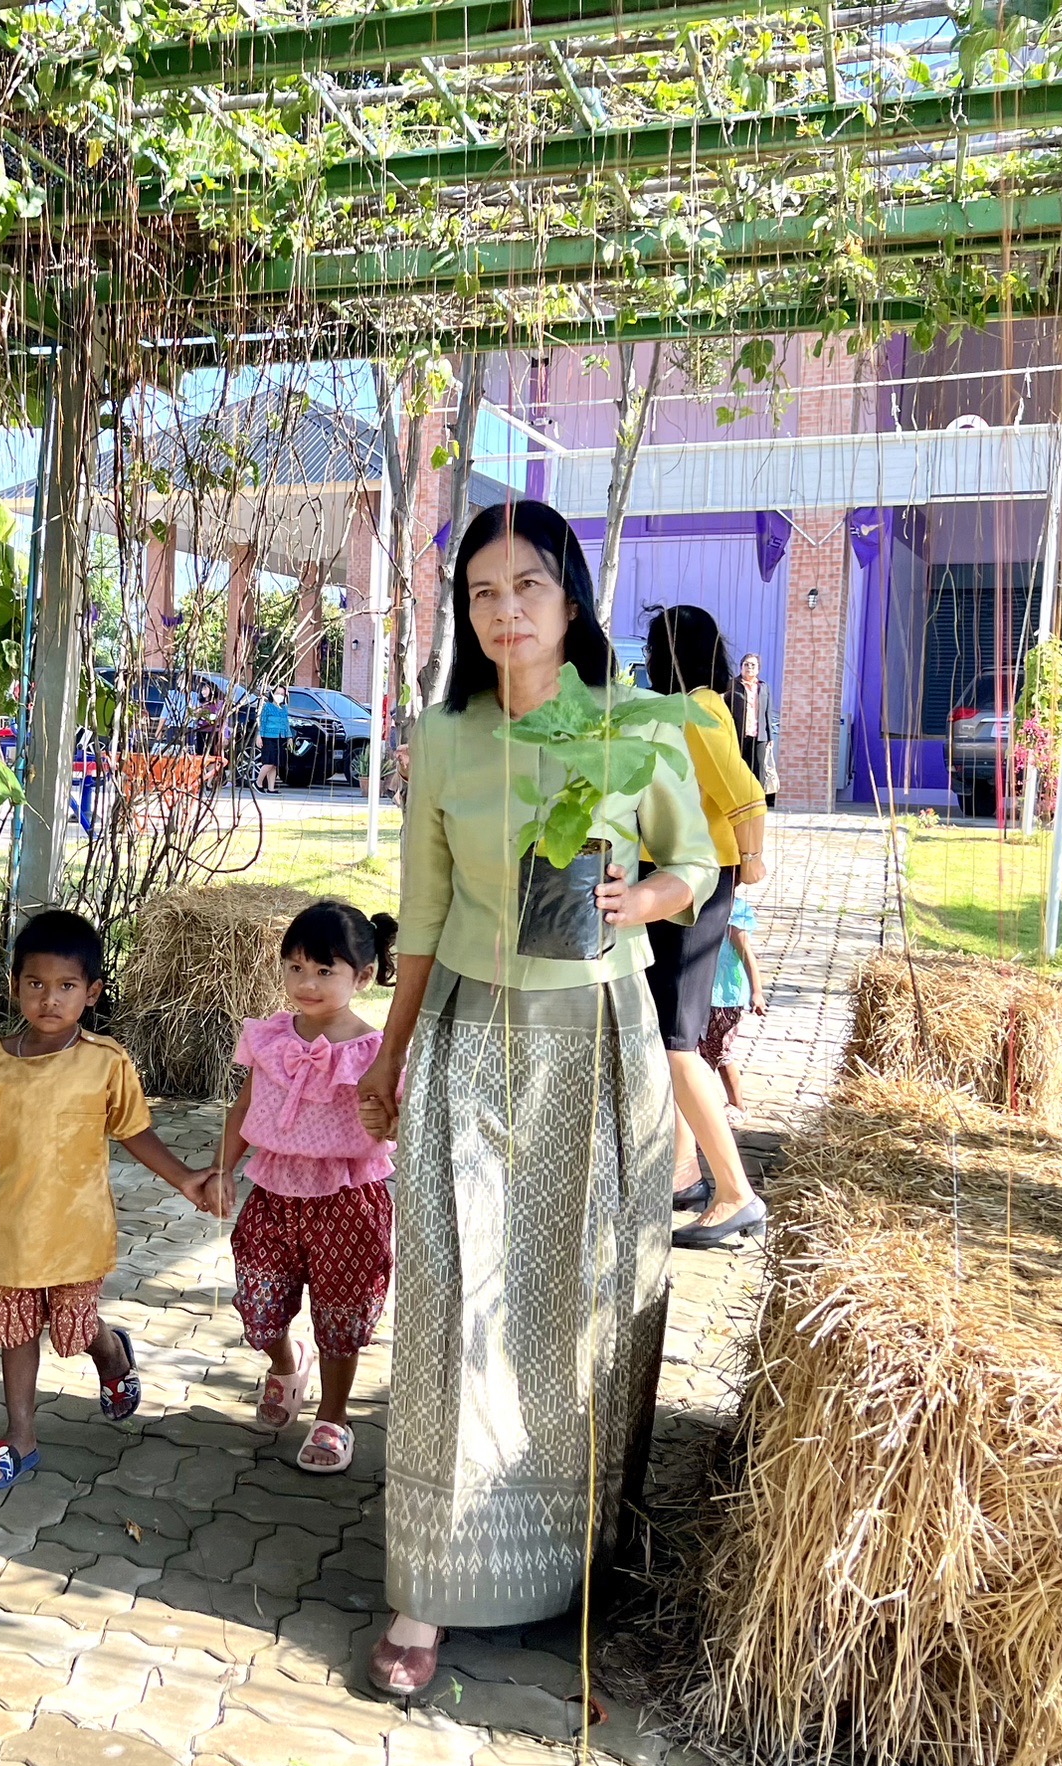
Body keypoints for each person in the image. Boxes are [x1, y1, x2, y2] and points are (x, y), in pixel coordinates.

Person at [352, 499, 718, 1695]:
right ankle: (432, 1583)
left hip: (595, 1041)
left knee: (581, 1291)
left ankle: (576, 1557)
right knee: (460, 1290)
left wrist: (642, 903)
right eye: (481, 593)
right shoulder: (442, 736)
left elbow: (697, 860)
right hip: (468, 1032)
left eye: (527, 587)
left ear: (570, 597)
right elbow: (416, 915)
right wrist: (388, 1055)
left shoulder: (633, 725)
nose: (504, 611)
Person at [0, 910, 225, 1490]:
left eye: (66, 987)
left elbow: (134, 1132)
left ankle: (111, 1357)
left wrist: (186, 1180)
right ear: (15, 986)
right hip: (12, 1228)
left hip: (77, 1231)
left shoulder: (105, 1062)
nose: (49, 999)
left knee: (71, 1329)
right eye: (35, 984)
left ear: (92, 992)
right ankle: (20, 1438)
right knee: (15, 1329)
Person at [211, 900, 398, 1478]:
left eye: (324, 970)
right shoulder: (270, 1037)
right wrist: (220, 1169)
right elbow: (246, 1105)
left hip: (349, 1200)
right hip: (273, 1192)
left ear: (362, 977)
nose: (306, 983)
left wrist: (388, 1122)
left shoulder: (377, 1050)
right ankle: (286, 1364)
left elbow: (397, 1117)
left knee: (342, 1312)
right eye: (295, 967)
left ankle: (334, 1416)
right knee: (260, 1298)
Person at [643, 607, 770, 1249]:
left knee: (676, 1039)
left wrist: (752, 857)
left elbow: (743, 790)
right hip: (681, 878)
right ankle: (685, 1172)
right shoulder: (697, 705)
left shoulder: (694, 708)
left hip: (696, 880)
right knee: (670, 1034)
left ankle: (734, 1191)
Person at [699, 890, 766, 1115]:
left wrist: (757, 991)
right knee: (703, 1048)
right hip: (703, 991)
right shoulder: (699, 904)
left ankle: (737, 1103)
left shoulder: (732, 913)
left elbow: (747, 954)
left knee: (718, 1048)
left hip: (725, 995)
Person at [729, 652, 778, 809]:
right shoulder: (732, 685)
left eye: (753, 665)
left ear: (758, 669)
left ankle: (757, 802)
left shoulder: (763, 687)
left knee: (759, 769)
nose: (749, 667)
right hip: (738, 735)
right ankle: (738, 800)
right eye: (746, 664)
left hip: (759, 736)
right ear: (741, 667)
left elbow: (767, 712)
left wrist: (770, 737)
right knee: (739, 767)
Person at [257, 690, 292, 793]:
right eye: (278, 693)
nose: (280, 696)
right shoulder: (267, 706)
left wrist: (289, 737)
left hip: (280, 737)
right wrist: (259, 735)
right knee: (268, 762)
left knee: (274, 764)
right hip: (268, 737)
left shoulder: (284, 708)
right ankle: (258, 783)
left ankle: (271, 788)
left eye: (282, 694)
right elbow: (262, 722)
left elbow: (286, 723)